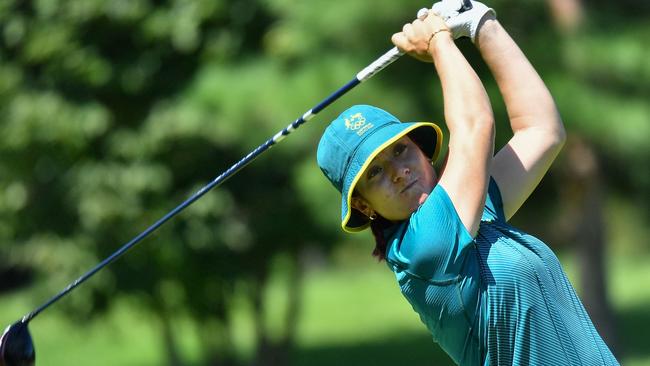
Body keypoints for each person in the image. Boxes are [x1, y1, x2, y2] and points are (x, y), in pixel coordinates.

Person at [316, 0, 619, 365]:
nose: (398, 171)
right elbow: (475, 126)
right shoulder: (422, 249)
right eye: (375, 172)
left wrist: (481, 25)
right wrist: (440, 42)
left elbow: (541, 129)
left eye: (400, 151)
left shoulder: (476, 214)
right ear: (363, 204)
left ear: (423, 152)